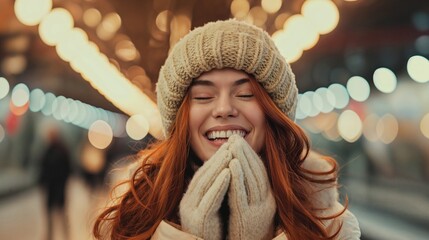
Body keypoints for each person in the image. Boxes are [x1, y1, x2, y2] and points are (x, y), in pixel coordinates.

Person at [93, 19, 361, 239]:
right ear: (180, 120)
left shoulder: (328, 225)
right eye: (203, 97)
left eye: (245, 94)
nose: (224, 109)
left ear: (273, 114)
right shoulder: (134, 214)